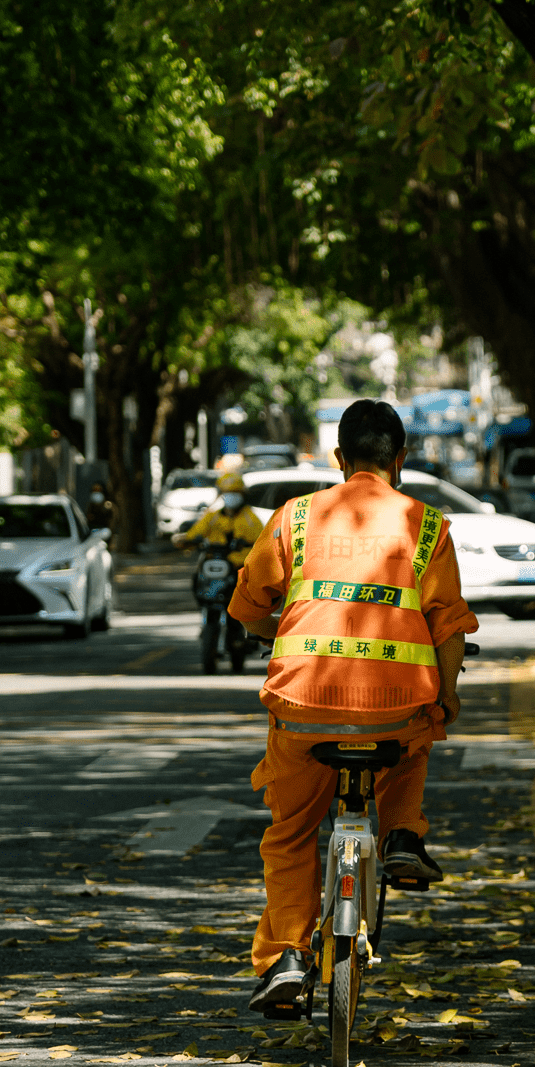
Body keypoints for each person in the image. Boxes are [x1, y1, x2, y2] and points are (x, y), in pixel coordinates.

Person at [227, 398, 478, 1016]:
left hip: (302, 707)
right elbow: (448, 628)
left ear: (338, 459)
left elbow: (247, 605)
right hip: (394, 714)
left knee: (290, 833)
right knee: (422, 730)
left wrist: (270, 630)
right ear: (402, 459)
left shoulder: (296, 517)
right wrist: (446, 698)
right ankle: (399, 836)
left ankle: (286, 956)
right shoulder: (427, 524)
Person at [172, 464, 264, 565]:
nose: (231, 496)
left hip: (240, 567)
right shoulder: (212, 516)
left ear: (243, 494)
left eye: (235, 492)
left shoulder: (251, 518)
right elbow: (196, 532)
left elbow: (263, 543)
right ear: (221, 494)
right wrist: (183, 539)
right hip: (213, 561)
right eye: (227, 492)